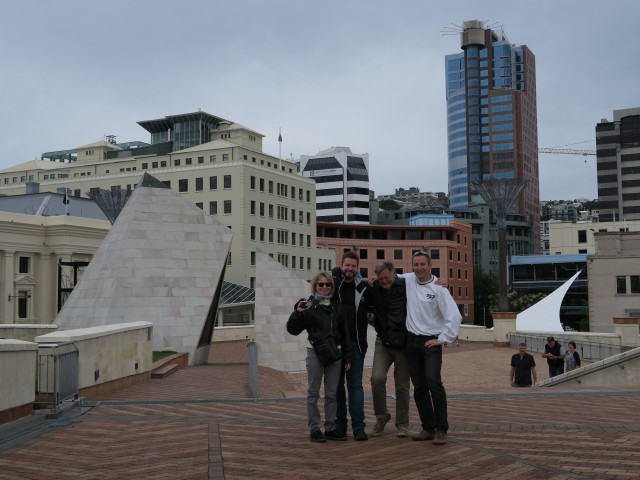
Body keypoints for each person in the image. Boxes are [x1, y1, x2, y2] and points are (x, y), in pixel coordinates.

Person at [403, 251, 462, 446]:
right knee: (419, 386)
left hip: (431, 342)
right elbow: (387, 277)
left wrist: (442, 338)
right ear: (412, 266)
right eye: (416, 265)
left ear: (430, 266)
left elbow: (454, 316)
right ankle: (427, 428)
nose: (419, 268)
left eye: (422, 264)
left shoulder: (439, 289)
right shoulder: (409, 280)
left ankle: (441, 429)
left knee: (433, 382)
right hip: (412, 342)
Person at [286, 272, 351, 443]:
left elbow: (345, 333)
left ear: (332, 286)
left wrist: (347, 357)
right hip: (315, 351)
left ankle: (330, 427)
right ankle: (314, 428)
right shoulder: (308, 305)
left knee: (332, 394)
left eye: (328, 284)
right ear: (315, 286)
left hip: (335, 354)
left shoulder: (338, 305)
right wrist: (297, 313)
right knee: (313, 392)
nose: (324, 287)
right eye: (321, 284)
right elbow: (293, 330)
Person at [365, 261, 411, 438]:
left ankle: (402, 424)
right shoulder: (374, 287)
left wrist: (441, 282)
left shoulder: (406, 285)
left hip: (403, 341)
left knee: (402, 385)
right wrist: (369, 283)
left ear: (394, 273)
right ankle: (382, 416)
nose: (384, 281)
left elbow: (426, 284)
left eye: (386, 277)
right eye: (381, 278)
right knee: (376, 378)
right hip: (383, 340)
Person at [332, 251, 369, 441]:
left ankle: (358, 427)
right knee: (337, 387)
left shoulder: (363, 287)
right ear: (341, 265)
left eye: (353, 266)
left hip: (356, 345)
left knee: (355, 386)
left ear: (357, 268)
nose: (350, 269)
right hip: (335, 346)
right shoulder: (331, 286)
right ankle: (339, 426)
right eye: (347, 265)